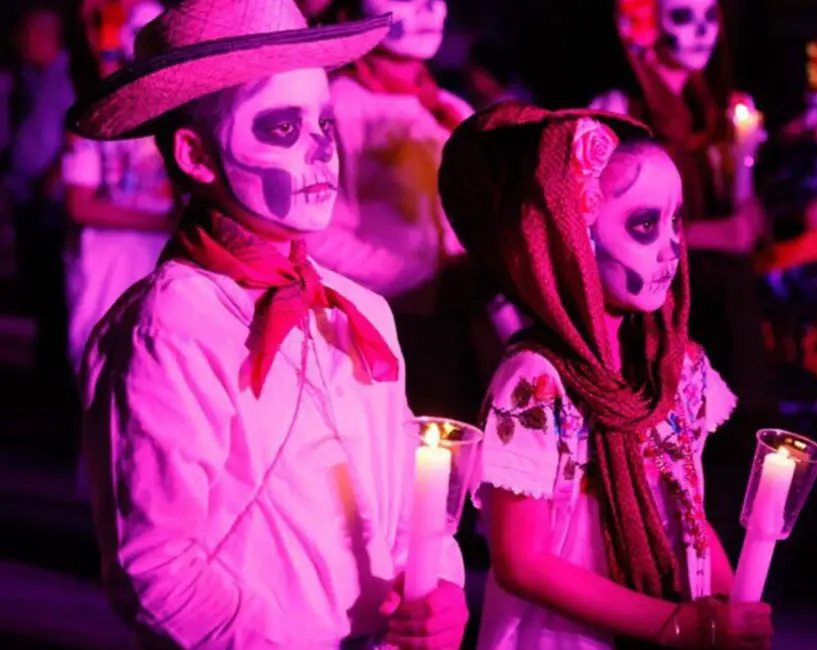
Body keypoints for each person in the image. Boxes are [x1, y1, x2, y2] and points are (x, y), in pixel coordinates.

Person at [70, 0, 467, 647]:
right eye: (282, 128)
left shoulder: (360, 311)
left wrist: (438, 587)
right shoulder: (170, 327)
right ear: (197, 156)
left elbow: (405, 493)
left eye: (326, 125)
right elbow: (155, 566)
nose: (320, 152)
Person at [438, 103, 774, 649]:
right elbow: (521, 562)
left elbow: (689, 515)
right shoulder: (536, 381)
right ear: (572, 241)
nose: (671, 248)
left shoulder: (679, 368)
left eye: (676, 221)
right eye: (644, 224)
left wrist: (733, 605)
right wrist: (675, 625)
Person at [590, 0, 777, 546]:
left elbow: (745, 212)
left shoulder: (718, 108)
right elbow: (602, 223)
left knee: (743, 423)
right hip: (661, 296)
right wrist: (712, 234)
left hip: (726, 294)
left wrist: (744, 178)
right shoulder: (621, 107)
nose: (699, 32)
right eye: (681, 16)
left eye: (709, 16)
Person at [304, 0, 486, 422]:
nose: (428, 8)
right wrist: (427, 279)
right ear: (347, 15)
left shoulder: (449, 107)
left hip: (460, 325)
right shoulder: (337, 106)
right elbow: (316, 235)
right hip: (382, 331)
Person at [62, 0, 178, 374]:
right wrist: (163, 224)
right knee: (100, 366)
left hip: (160, 263)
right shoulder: (93, 119)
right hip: (108, 264)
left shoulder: (175, 118)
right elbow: (79, 205)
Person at [0, 4, 76, 395]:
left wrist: (51, 179)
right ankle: (45, 374)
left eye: (26, 31)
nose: (19, 40)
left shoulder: (69, 77)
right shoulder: (28, 77)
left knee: (51, 291)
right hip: (27, 197)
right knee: (37, 288)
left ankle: (52, 381)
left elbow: (74, 138)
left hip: (51, 204)